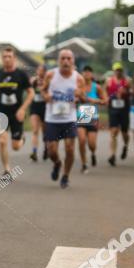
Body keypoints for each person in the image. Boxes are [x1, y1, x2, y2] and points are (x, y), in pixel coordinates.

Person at [0, 47, 33, 179]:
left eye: (9, 56)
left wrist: (23, 109)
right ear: (2, 59)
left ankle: (21, 139)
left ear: (14, 58)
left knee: (16, 146)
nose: (7, 59)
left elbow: (31, 93)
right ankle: (6, 170)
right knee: (2, 141)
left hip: (17, 113)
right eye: (4, 57)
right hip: (1, 113)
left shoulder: (21, 75)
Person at [42, 49, 86, 189]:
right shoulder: (50, 75)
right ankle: (57, 163)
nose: (66, 61)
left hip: (69, 118)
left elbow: (84, 99)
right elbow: (42, 90)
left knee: (70, 148)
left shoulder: (79, 78)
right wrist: (45, 96)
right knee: (51, 151)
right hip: (52, 118)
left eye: (68, 58)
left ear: (73, 61)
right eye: (63, 58)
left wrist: (80, 95)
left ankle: (66, 175)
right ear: (58, 60)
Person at [77, 65, 107, 173]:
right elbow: (71, 98)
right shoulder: (78, 87)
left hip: (92, 117)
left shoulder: (97, 87)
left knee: (91, 144)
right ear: (82, 74)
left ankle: (93, 153)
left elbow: (105, 100)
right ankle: (84, 163)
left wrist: (95, 100)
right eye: (84, 72)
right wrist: (77, 98)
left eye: (89, 72)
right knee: (81, 140)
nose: (86, 74)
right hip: (80, 117)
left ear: (92, 74)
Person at [105, 62, 131, 167]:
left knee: (124, 133)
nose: (118, 72)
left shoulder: (127, 81)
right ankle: (112, 155)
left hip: (124, 110)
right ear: (113, 71)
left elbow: (133, 93)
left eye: (120, 70)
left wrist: (125, 92)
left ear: (122, 71)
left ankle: (125, 145)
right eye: (116, 70)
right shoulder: (109, 81)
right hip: (113, 109)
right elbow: (105, 92)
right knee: (114, 132)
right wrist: (107, 99)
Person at [29, 64, 47, 162]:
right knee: (35, 130)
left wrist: (44, 84)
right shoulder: (33, 80)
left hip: (45, 107)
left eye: (42, 70)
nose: (40, 72)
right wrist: (34, 82)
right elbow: (29, 85)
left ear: (44, 72)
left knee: (45, 132)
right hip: (35, 107)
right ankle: (34, 152)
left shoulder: (47, 81)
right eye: (38, 70)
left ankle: (46, 148)